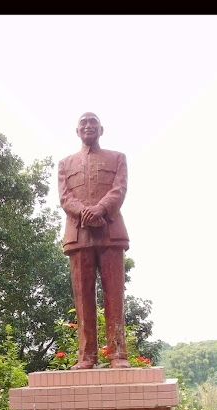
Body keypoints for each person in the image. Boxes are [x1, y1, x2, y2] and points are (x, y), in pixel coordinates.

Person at [58, 112, 130, 370]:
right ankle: (86, 356)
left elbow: (119, 189)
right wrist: (84, 212)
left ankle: (118, 354)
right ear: (77, 131)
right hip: (79, 234)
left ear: (101, 129)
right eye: (83, 124)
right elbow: (65, 198)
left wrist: (100, 208)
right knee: (83, 297)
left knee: (115, 295)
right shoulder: (65, 164)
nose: (88, 127)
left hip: (110, 233)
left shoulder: (117, 158)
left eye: (93, 123)